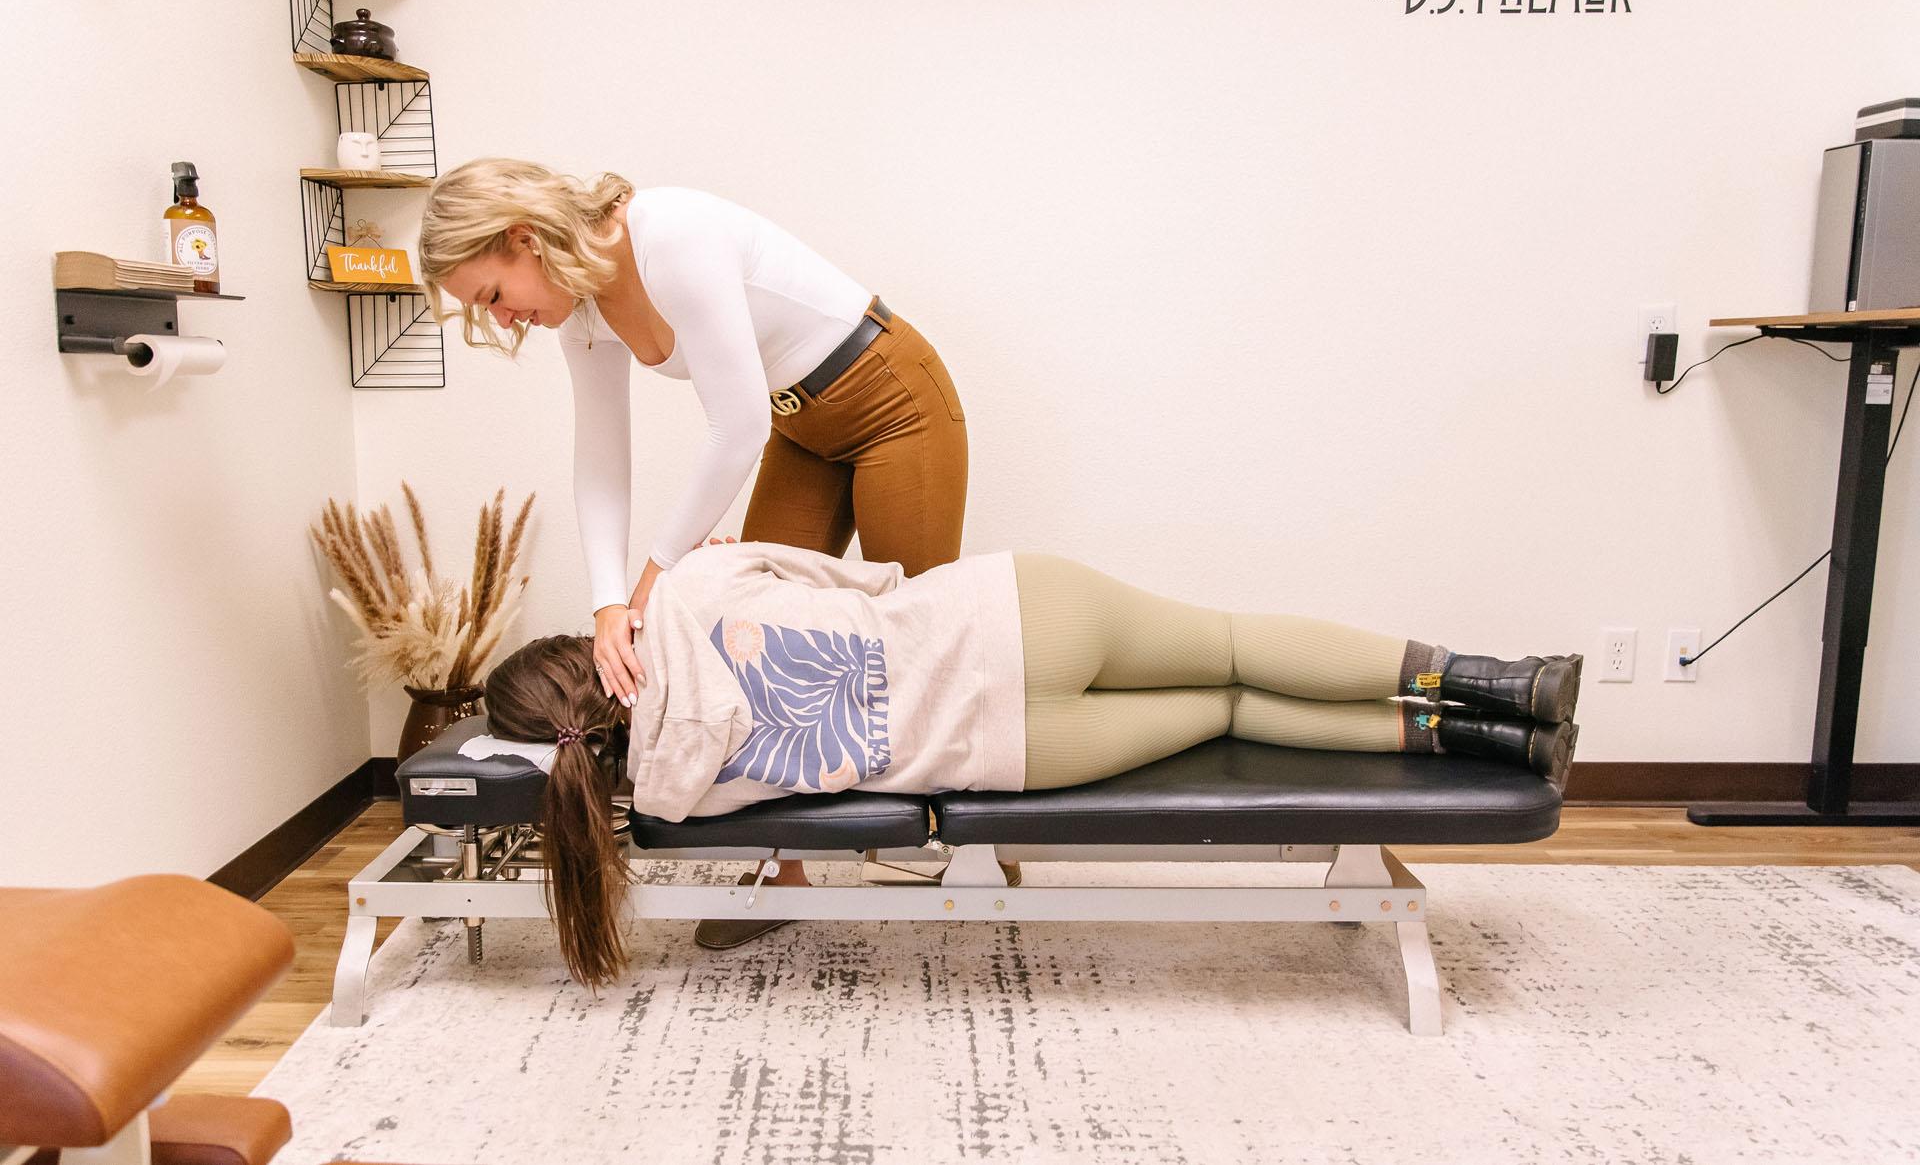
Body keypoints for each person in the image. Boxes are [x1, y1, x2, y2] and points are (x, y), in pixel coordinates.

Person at [482, 541, 1582, 987]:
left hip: (1013, 746)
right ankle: (1502, 686)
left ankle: (1472, 743)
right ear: (585, 649)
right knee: (1241, 642)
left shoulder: (670, 791)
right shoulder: (685, 588)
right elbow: (864, 577)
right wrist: (650, 591)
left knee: (1232, 706)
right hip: (1014, 608)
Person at [420, 159, 972, 947]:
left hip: (889, 399)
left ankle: (981, 846)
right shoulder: (576, 312)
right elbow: (601, 459)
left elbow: (735, 424)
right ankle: (786, 873)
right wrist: (609, 600)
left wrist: (655, 574)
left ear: (524, 240)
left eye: (493, 297)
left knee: (927, 631)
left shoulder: (671, 234)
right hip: (800, 423)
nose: (502, 321)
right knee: (758, 648)